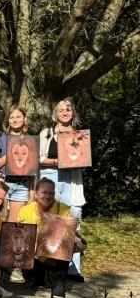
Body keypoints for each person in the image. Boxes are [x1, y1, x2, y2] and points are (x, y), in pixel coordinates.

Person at [39, 99, 86, 282]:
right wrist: (58, 161)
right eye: (61, 109)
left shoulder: (80, 136)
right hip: (51, 178)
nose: (65, 112)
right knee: (50, 221)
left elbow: (84, 159)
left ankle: (72, 270)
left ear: (73, 112)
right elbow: (39, 159)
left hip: (72, 180)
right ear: (55, 113)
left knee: (71, 220)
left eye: (68, 109)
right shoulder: (47, 133)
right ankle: (46, 267)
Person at [0, 105, 35, 283]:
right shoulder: (1, 138)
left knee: (14, 226)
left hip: (22, 185)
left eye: (19, 117)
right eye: (12, 117)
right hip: (4, 183)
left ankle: (9, 266)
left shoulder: (31, 139)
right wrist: (10, 154)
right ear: (7, 120)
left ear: (25, 119)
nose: (15, 120)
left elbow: (33, 167)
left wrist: (32, 192)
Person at [17, 178, 71, 298]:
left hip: (53, 247)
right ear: (36, 194)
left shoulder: (63, 209)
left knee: (68, 240)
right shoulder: (25, 210)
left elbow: (63, 234)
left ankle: (59, 280)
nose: (47, 196)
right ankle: (37, 277)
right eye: (44, 192)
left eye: (50, 193)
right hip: (33, 250)